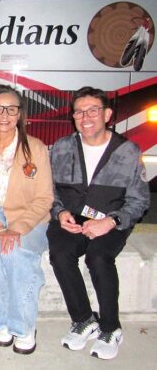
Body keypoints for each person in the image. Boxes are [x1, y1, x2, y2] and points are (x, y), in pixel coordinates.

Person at [47, 86, 150, 360]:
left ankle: (110, 327)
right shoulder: (62, 147)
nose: (85, 117)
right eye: (79, 112)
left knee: (98, 257)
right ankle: (83, 319)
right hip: (73, 217)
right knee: (60, 253)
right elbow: (49, 190)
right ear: (73, 117)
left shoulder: (127, 151)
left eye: (93, 110)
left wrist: (111, 221)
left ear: (107, 115)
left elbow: (140, 200)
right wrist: (59, 212)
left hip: (111, 219)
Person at [0, 85, 53, 355]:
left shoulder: (35, 149)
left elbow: (44, 198)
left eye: (11, 109)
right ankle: (1, 320)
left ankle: (24, 325)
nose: (4, 115)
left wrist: (16, 228)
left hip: (29, 220)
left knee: (16, 254)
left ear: (20, 114)